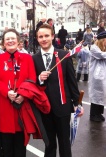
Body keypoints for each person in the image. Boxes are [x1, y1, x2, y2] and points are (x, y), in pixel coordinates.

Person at [0, 28, 47, 157]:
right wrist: (7, 92)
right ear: (3, 43)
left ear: (18, 41)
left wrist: (23, 95)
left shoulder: (27, 58)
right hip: (4, 104)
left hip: (22, 105)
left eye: (13, 38)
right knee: (6, 147)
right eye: (7, 39)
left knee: (20, 146)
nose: (10, 41)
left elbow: (32, 79)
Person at [32, 24, 84, 157]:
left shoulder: (64, 55)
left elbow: (72, 82)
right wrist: (39, 78)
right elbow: (31, 83)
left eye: (46, 36)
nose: (44, 39)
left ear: (53, 36)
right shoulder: (33, 59)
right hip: (44, 108)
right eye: (40, 36)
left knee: (64, 144)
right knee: (49, 145)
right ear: (37, 39)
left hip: (63, 107)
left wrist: (78, 103)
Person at [89, 31, 106, 122]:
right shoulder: (94, 48)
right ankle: (93, 114)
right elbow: (101, 55)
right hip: (96, 77)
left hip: (103, 76)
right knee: (96, 95)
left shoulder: (103, 49)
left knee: (102, 95)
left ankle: (99, 113)